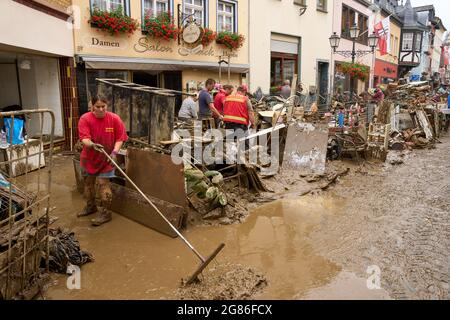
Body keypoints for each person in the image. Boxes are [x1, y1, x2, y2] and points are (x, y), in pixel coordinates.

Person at [77, 94, 128, 227]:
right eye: (97, 107)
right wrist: (92, 144)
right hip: (89, 158)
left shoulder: (114, 119)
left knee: (103, 184)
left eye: (103, 106)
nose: (100, 109)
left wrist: (114, 153)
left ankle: (106, 213)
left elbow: (120, 138)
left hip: (107, 158)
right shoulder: (85, 119)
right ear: (92, 107)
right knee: (88, 184)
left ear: (107, 106)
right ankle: (90, 206)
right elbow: (84, 138)